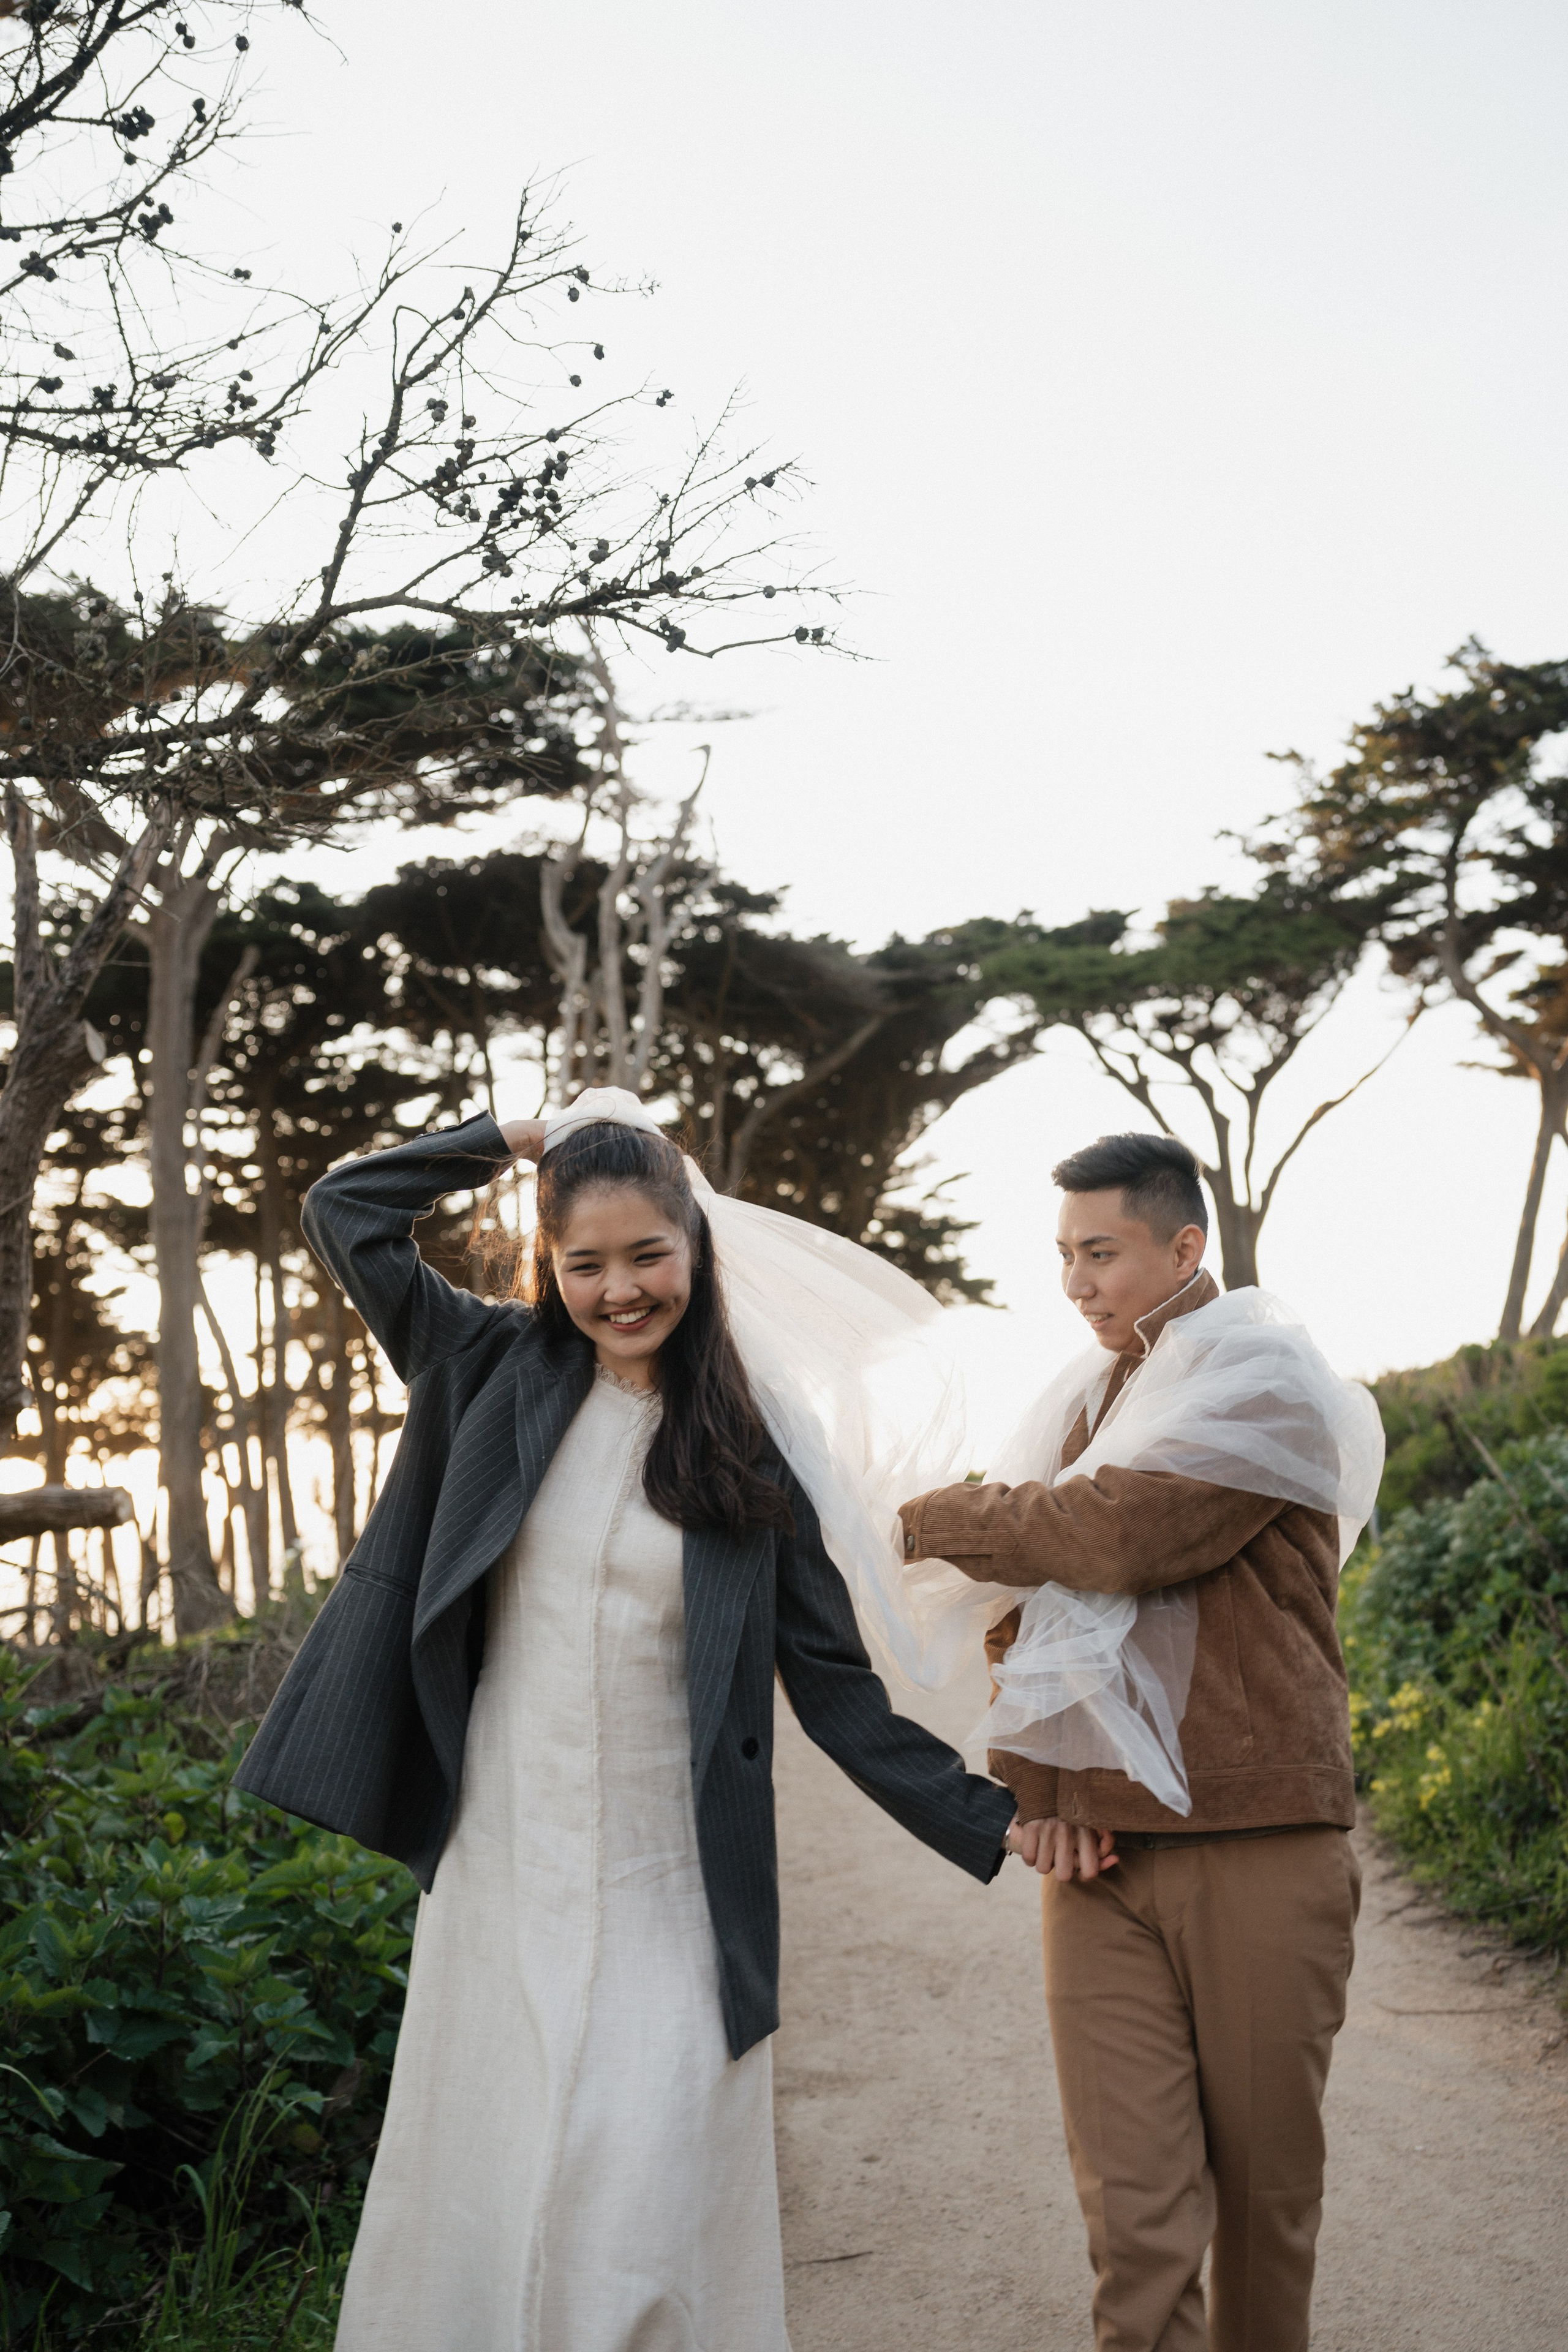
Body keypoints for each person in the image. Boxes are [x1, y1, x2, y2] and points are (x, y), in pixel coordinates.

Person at [234, 1089, 1016, 2352]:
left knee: (641, 2170)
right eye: (582, 1262)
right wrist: (505, 1136)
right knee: (494, 2164)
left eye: (647, 1253)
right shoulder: (482, 1365)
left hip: (674, 1873)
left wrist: (995, 1818)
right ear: (545, 1264)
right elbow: (345, 1213)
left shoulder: (751, 1446)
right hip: (504, 1856)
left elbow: (829, 1683)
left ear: (696, 1250)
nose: (619, 1289)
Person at [899, 1131, 1383, 2352]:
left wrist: (919, 1517)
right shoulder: (1076, 1400)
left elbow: (1115, 1539)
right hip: (1101, 1858)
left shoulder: (1264, 1381)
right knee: (1132, 2218)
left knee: (1263, 2209)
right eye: (1063, 1256)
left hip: (1256, 1836)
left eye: (1101, 1253)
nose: (1076, 1284)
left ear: (1181, 1247)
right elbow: (1034, 1612)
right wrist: (1042, 1786)